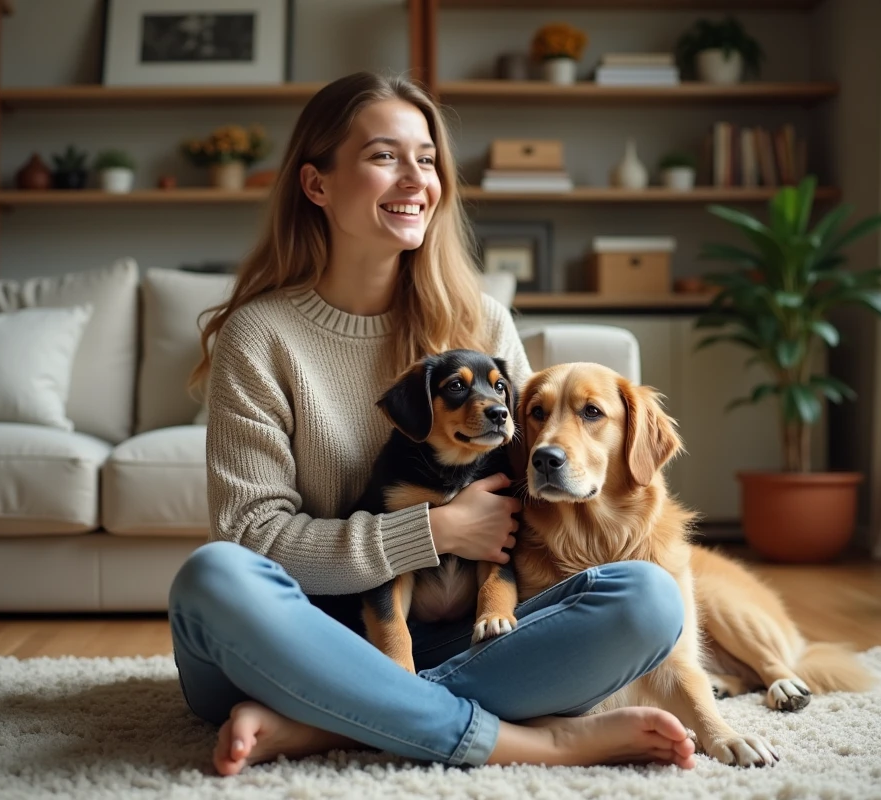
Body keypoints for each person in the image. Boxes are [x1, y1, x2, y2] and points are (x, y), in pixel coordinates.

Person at [169, 71, 695, 776]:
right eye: (385, 156)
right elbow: (252, 539)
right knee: (214, 576)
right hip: (298, 642)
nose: (416, 178)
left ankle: (322, 725)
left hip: (453, 637)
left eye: (427, 159)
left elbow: (532, 484)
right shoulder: (260, 337)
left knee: (647, 600)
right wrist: (433, 531)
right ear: (317, 185)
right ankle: (532, 742)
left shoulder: (481, 324)